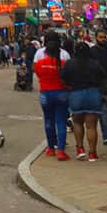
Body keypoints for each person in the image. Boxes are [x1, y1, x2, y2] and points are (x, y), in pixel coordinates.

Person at [60, 42, 107, 162]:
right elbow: (103, 78)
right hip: (93, 93)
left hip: (76, 94)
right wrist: (102, 92)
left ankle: (80, 149)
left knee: (77, 123)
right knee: (91, 126)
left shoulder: (70, 63)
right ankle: (92, 153)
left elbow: (63, 78)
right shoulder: (95, 64)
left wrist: (69, 88)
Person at [34, 32, 70, 160]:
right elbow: (68, 73)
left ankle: (50, 148)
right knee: (61, 121)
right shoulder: (64, 54)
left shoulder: (39, 54)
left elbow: (36, 71)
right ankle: (60, 150)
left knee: (48, 121)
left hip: (45, 92)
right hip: (61, 92)